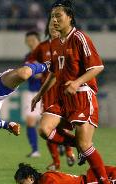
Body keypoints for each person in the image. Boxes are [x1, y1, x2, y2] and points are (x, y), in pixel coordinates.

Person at [31, 0, 113, 184]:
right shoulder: (57, 42)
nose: (55, 20)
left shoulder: (80, 38)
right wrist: (40, 94)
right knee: (44, 129)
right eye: (52, 16)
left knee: (86, 145)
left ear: (70, 17)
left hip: (83, 94)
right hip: (62, 97)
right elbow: (53, 73)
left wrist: (76, 83)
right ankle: (80, 146)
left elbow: (97, 67)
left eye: (58, 15)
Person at [30, 17, 75, 170]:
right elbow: (30, 62)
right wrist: (35, 70)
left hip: (66, 91)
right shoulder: (43, 47)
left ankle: (71, 149)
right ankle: (58, 161)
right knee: (48, 127)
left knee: (59, 126)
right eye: (50, 24)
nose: (53, 27)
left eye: (56, 24)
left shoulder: (70, 43)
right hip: (49, 91)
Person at [23, 31, 42, 157]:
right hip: (32, 93)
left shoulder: (45, 54)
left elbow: (43, 74)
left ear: (38, 40)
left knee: (50, 125)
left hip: (46, 92)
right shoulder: (27, 57)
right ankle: (35, 150)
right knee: (30, 121)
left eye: (33, 40)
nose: (30, 43)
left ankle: (63, 146)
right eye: (28, 41)